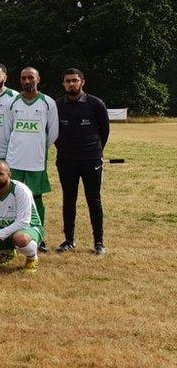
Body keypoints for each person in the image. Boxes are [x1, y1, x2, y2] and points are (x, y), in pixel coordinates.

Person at [54, 68, 109, 255]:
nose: (71, 84)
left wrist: (95, 151)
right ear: (63, 83)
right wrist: (63, 148)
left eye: (75, 80)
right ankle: (69, 240)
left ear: (82, 82)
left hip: (91, 159)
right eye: (68, 81)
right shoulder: (57, 105)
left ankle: (99, 242)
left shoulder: (95, 104)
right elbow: (53, 133)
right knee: (69, 199)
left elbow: (104, 131)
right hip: (66, 160)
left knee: (94, 200)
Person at [4, 67, 58, 252]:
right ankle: (13, 234)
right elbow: (7, 130)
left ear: (38, 79)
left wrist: (37, 147)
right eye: (23, 78)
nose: (27, 81)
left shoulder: (48, 102)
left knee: (36, 197)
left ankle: (39, 235)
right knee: (13, 197)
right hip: (14, 159)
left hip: (35, 159)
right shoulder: (12, 101)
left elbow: (53, 133)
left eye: (30, 77)